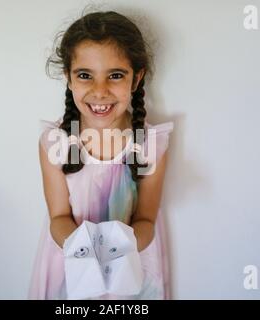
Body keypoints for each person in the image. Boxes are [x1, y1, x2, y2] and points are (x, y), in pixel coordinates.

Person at [29, 9, 174, 299]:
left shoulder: (150, 145)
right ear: (68, 78)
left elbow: (146, 219)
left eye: (115, 75)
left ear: (136, 79)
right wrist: (88, 260)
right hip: (71, 266)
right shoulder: (55, 144)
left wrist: (118, 256)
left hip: (133, 268)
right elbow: (58, 216)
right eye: (85, 75)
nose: (100, 91)